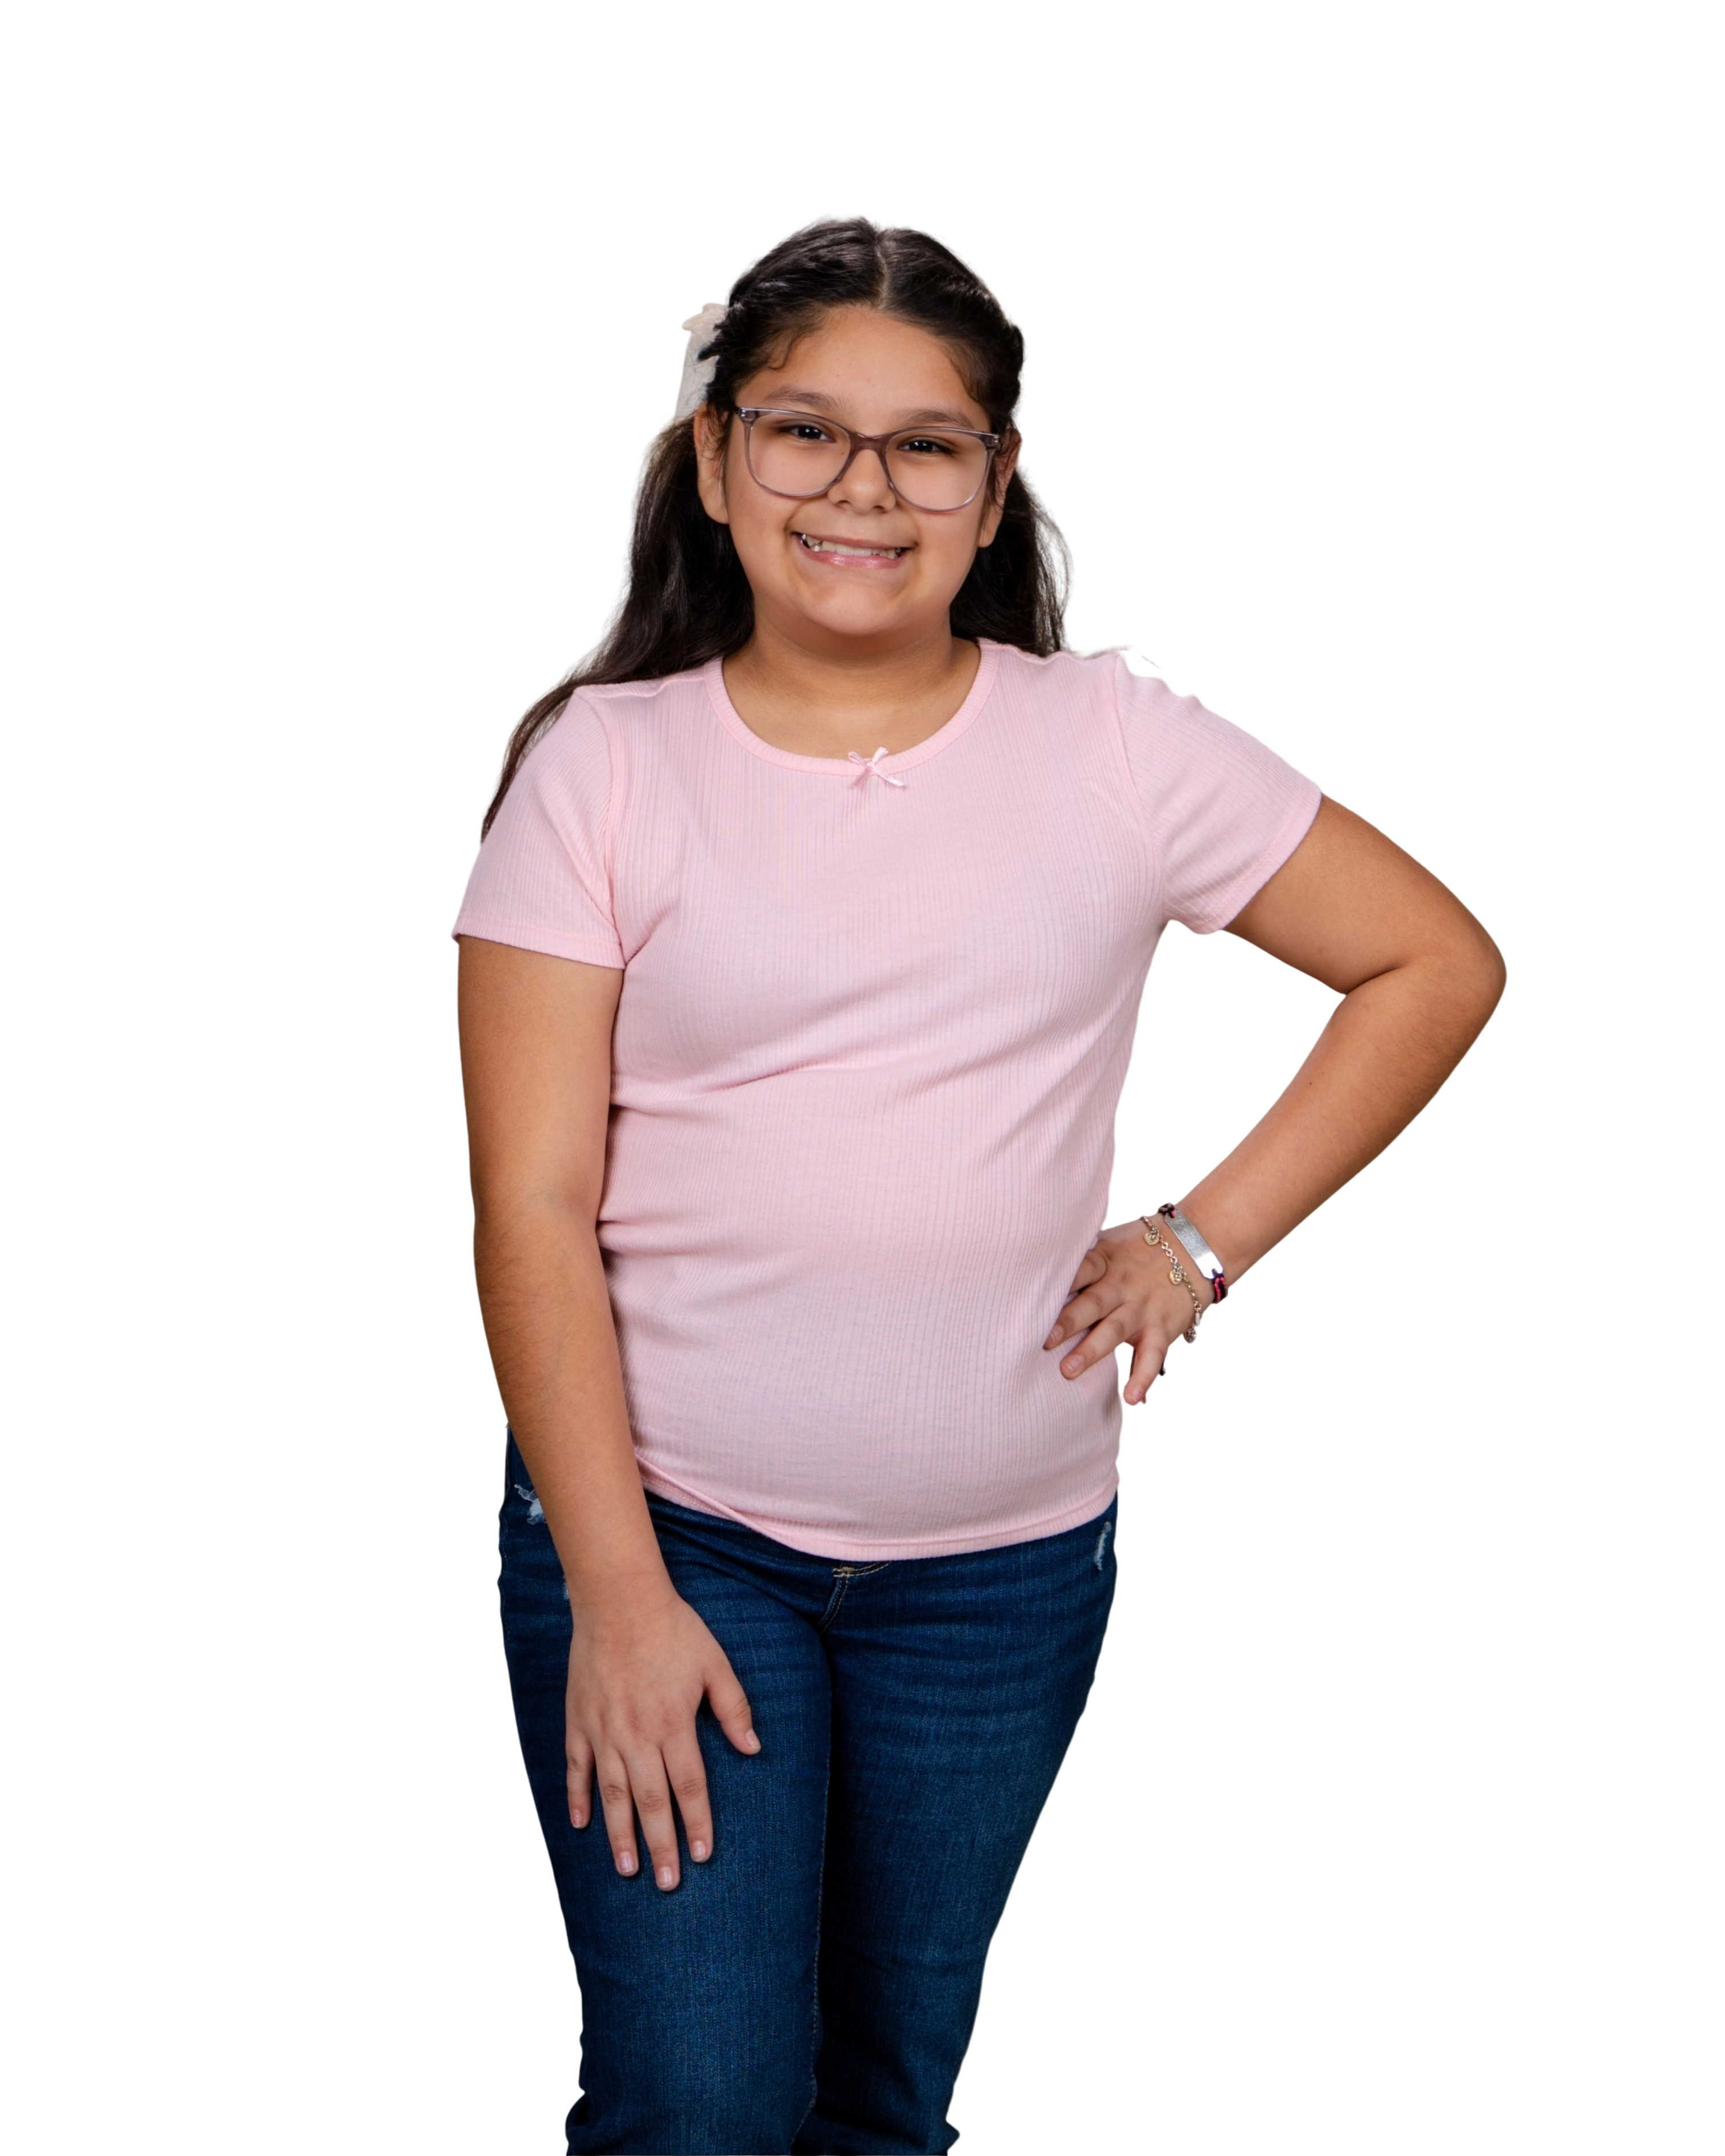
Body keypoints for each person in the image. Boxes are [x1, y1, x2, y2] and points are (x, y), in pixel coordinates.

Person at [448, 211, 1508, 2156]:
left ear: (994, 484)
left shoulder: (1110, 739)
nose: (861, 489)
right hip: (677, 1540)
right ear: (713, 459)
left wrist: (1198, 1245)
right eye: (803, 430)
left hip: (1001, 1581)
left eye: (926, 444)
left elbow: (1431, 963)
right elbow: (527, 1207)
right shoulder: (600, 768)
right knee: (698, 2105)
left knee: (887, 2105)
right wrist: (615, 1590)